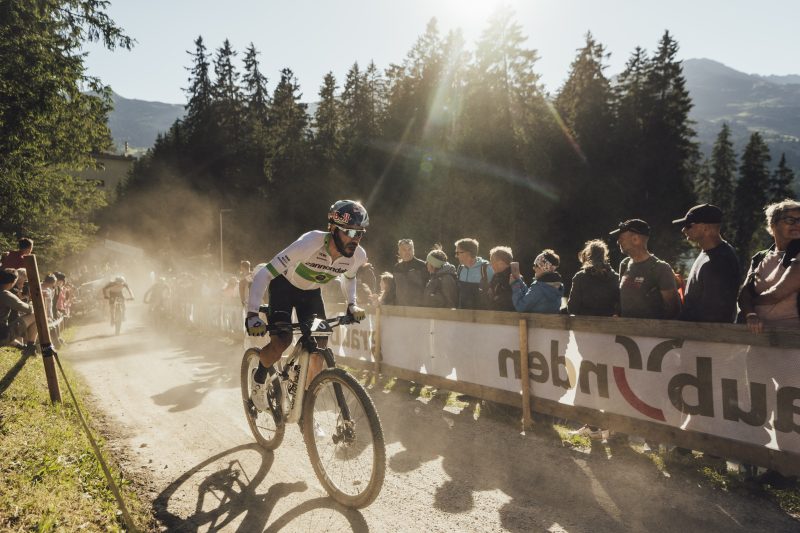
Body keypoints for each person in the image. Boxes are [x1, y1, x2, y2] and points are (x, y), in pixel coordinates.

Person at [245, 200, 369, 412]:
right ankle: (259, 379)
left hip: (311, 295)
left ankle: (305, 404)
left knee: (320, 345)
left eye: (360, 233)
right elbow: (265, 273)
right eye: (349, 232)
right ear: (333, 228)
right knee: (282, 341)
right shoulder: (310, 243)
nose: (355, 239)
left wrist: (352, 305)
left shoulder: (358, 256)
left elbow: (349, 278)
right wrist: (252, 314)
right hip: (284, 287)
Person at [740, 199, 800, 333]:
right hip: (758, 336)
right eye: (791, 220)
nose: (797, 225)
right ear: (773, 224)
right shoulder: (760, 257)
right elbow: (744, 293)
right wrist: (751, 315)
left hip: (793, 340)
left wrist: (751, 303)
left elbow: (778, 293)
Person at [672, 204, 740, 323]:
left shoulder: (721, 260)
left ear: (705, 228)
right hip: (699, 335)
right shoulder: (709, 252)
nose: (683, 230)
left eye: (689, 226)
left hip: (708, 336)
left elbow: (714, 312)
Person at [611, 219, 680, 319]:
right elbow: (621, 299)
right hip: (625, 332)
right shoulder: (624, 264)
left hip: (650, 334)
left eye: (621, 238)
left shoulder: (661, 268)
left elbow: (674, 310)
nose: (618, 242)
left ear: (636, 239)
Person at [567, 240, 619, 317]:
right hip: (608, 325)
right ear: (604, 255)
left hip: (584, 325)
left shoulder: (580, 277)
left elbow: (572, 308)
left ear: (588, 255)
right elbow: (619, 305)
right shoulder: (615, 277)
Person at [510, 249, 564, 314]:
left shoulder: (538, 288)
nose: (533, 268)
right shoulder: (558, 286)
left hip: (535, 323)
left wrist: (515, 285)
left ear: (544, 268)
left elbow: (520, 306)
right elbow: (531, 296)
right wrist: (520, 283)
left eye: (536, 265)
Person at [0, 269, 37, 354]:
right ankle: (30, 347)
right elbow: (28, 309)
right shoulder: (5, 294)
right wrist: (31, 303)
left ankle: (21, 346)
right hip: (2, 335)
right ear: (11, 283)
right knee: (35, 315)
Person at [454, 238, 493, 310]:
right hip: (462, 316)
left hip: (482, 317)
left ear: (468, 253)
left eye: (458, 253)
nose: (456, 256)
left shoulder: (486, 269)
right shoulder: (460, 268)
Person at [392, 239, 428, 307]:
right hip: (400, 307)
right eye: (404, 250)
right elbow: (393, 288)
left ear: (413, 250)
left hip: (418, 308)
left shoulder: (422, 265)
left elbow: (428, 288)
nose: (407, 252)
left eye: (409, 249)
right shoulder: (397, 267)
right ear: (399, 251)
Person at [487, 246, 515, 312]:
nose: (490, 264)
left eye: (492, 261)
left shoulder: (514, 277)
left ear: (501, 262)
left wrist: (496, 299)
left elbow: (510, 299)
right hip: (495, 316)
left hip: (509, 317)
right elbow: (490, 293)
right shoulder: (496, 276)